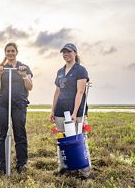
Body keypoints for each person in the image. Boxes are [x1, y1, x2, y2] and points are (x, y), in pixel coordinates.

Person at [50, 43, 91, 179]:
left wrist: (74, 113)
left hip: (76, 112)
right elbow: (57, 92)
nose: (66, 54)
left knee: (79, 139)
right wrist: (52, 110)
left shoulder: (80, 70)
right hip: (60, 111)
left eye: (69, 52)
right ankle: (63, 167)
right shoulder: (60, 71)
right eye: (64, 52)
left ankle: (85, 172)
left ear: (75, 53)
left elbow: (80, 92)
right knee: (62, 139)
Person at [0, 42, 33, 174]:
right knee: (3, 134)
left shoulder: (24, 67)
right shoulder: (1, 68)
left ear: (16, 52)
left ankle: (21, 164)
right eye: (8, 51)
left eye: (12, 51)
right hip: (3, 104)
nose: (10, 53)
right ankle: (3, 165)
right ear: (5, 53)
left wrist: (23, 76)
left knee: (20, 133)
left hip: (19, 104)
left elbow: (29, 87)